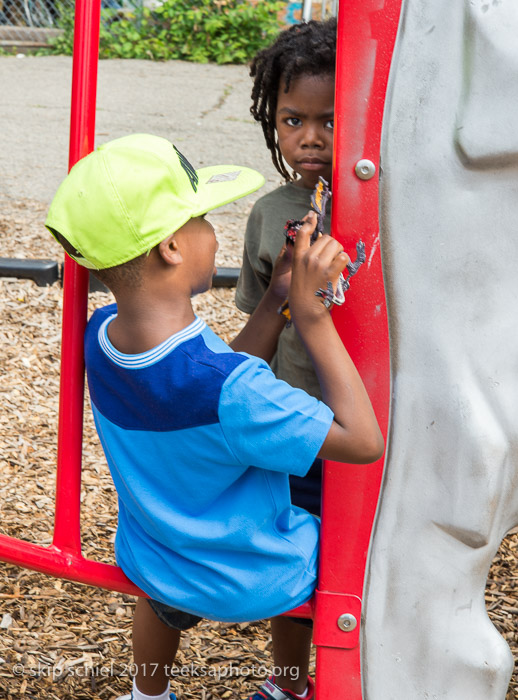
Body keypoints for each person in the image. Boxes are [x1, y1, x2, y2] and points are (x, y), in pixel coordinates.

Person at [45, 133, 382, 700]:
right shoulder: (238, 391)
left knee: (161, 574)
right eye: (201, 217)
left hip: (155, 554)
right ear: (173, 247)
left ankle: (147, 693)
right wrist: (312, 317)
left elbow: (204, 387)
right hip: (249, 575)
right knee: (349, 532)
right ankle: (291, 686)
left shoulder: (100, 336)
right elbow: (362, 440)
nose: (213, 229)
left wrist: (276, 297)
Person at [235, 18, 340, 700]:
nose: (309, 138)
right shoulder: (271, 214)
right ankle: (289, 680)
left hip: (379, 425)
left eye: (329, 120)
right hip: (298, 425)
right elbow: (257, 322)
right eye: (292, 119)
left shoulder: (393, 204)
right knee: (295, 559)